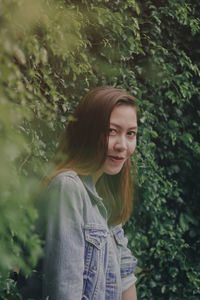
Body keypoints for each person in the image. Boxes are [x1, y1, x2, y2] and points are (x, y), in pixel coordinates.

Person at [43, 86, 138, 300]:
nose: (122, 145)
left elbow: (125, 278)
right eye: (111, 131)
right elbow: (64, 291)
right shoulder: (68, 188)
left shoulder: (105, 196)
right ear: (88, 132)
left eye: (130, 133)